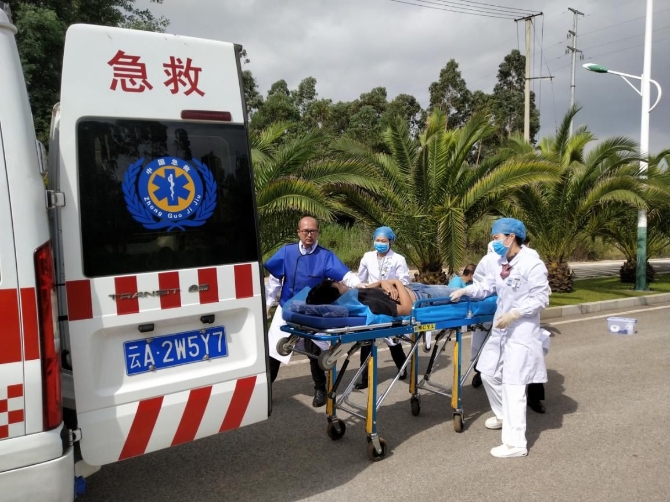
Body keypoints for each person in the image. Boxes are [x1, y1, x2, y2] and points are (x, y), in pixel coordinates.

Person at [450, 218, 550, 458]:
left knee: (514, 384)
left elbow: (541, 298)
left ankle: (516, 444)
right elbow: (486, 286)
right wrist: (465, 290)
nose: (493, 242)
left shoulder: (532, 264)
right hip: (501, 329)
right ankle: (504, 415)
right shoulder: (501, 263)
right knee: (487, 371)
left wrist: (516, 313)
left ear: (511, 237)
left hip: (521, 330)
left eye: (496, 238)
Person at [265, 216, 362, 407]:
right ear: (299, 232)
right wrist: (268, 304)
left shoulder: (325, 256)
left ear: (318, 232)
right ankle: (265, 392)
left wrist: (361, 285)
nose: (309, 235)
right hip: (286, 308)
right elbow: (274, 280)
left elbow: (346, 276)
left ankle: (320, 389)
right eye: (305, 231)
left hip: (311, 311)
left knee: (315, 351)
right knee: (274, 352)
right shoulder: (287, 251)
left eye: (313, 231)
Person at [355, 226, 411, 389]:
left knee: (392, 338)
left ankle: (402, 367)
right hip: (372, 299)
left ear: (390, 242)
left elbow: (404, 281)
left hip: (390, 301)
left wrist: (391, 286)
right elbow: (361, 280)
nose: (380, 243)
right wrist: (373, 287)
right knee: (366, 339)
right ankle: (365, 378)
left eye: (383, 241)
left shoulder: (398, 259)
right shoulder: (367, 257)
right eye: (377, 240)